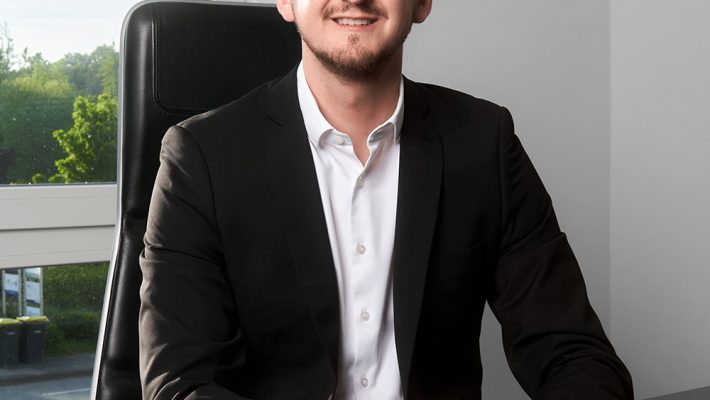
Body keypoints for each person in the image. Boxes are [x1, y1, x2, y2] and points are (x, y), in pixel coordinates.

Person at [138, 0, 634, 399]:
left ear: (422, 3)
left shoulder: (485, 142)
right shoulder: (200, 158)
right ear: (286, 2)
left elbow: (576, 356)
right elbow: (179, 384)